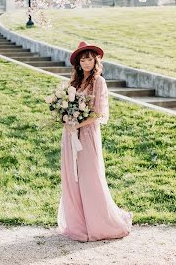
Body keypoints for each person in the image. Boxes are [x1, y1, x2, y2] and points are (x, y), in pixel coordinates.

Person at [57, 41, 133, 242]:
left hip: (88, 134)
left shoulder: (99, 82)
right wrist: (66, 119)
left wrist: (78, 123)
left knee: (90, 178)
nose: (86, 62)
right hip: (70, 134)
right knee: (72, 178)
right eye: (82, 59)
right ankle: (79, 224)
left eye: (89, 58)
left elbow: (98, 112)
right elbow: (66, 107)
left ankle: (100, 224)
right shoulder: (73, 83)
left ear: (95, 60)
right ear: (78, 63)